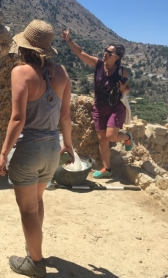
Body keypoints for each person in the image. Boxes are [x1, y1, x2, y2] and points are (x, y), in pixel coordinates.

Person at [0, 20, 74, 278]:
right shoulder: (62, 74)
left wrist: (4, 153)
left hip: (29, 150)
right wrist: (69, 146)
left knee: (27, 209)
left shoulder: (21, 72)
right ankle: (34, 249)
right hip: (52, 149)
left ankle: (35, 263)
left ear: (24, 46)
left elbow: (18, 119)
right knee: (38, 201)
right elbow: (65, 117)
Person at [61, 28, 133, 179]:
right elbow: (81, 54)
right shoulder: (98, 64)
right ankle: (107, 168)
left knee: (111, 136)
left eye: (109, 52)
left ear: (117, 57)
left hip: (115, 108)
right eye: (106, 50)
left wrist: (122, 88)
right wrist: (69, 40)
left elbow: (126, 90)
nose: (105, 53)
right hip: (99, 108)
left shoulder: (121, 72)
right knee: (102, 139)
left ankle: (127, 137)